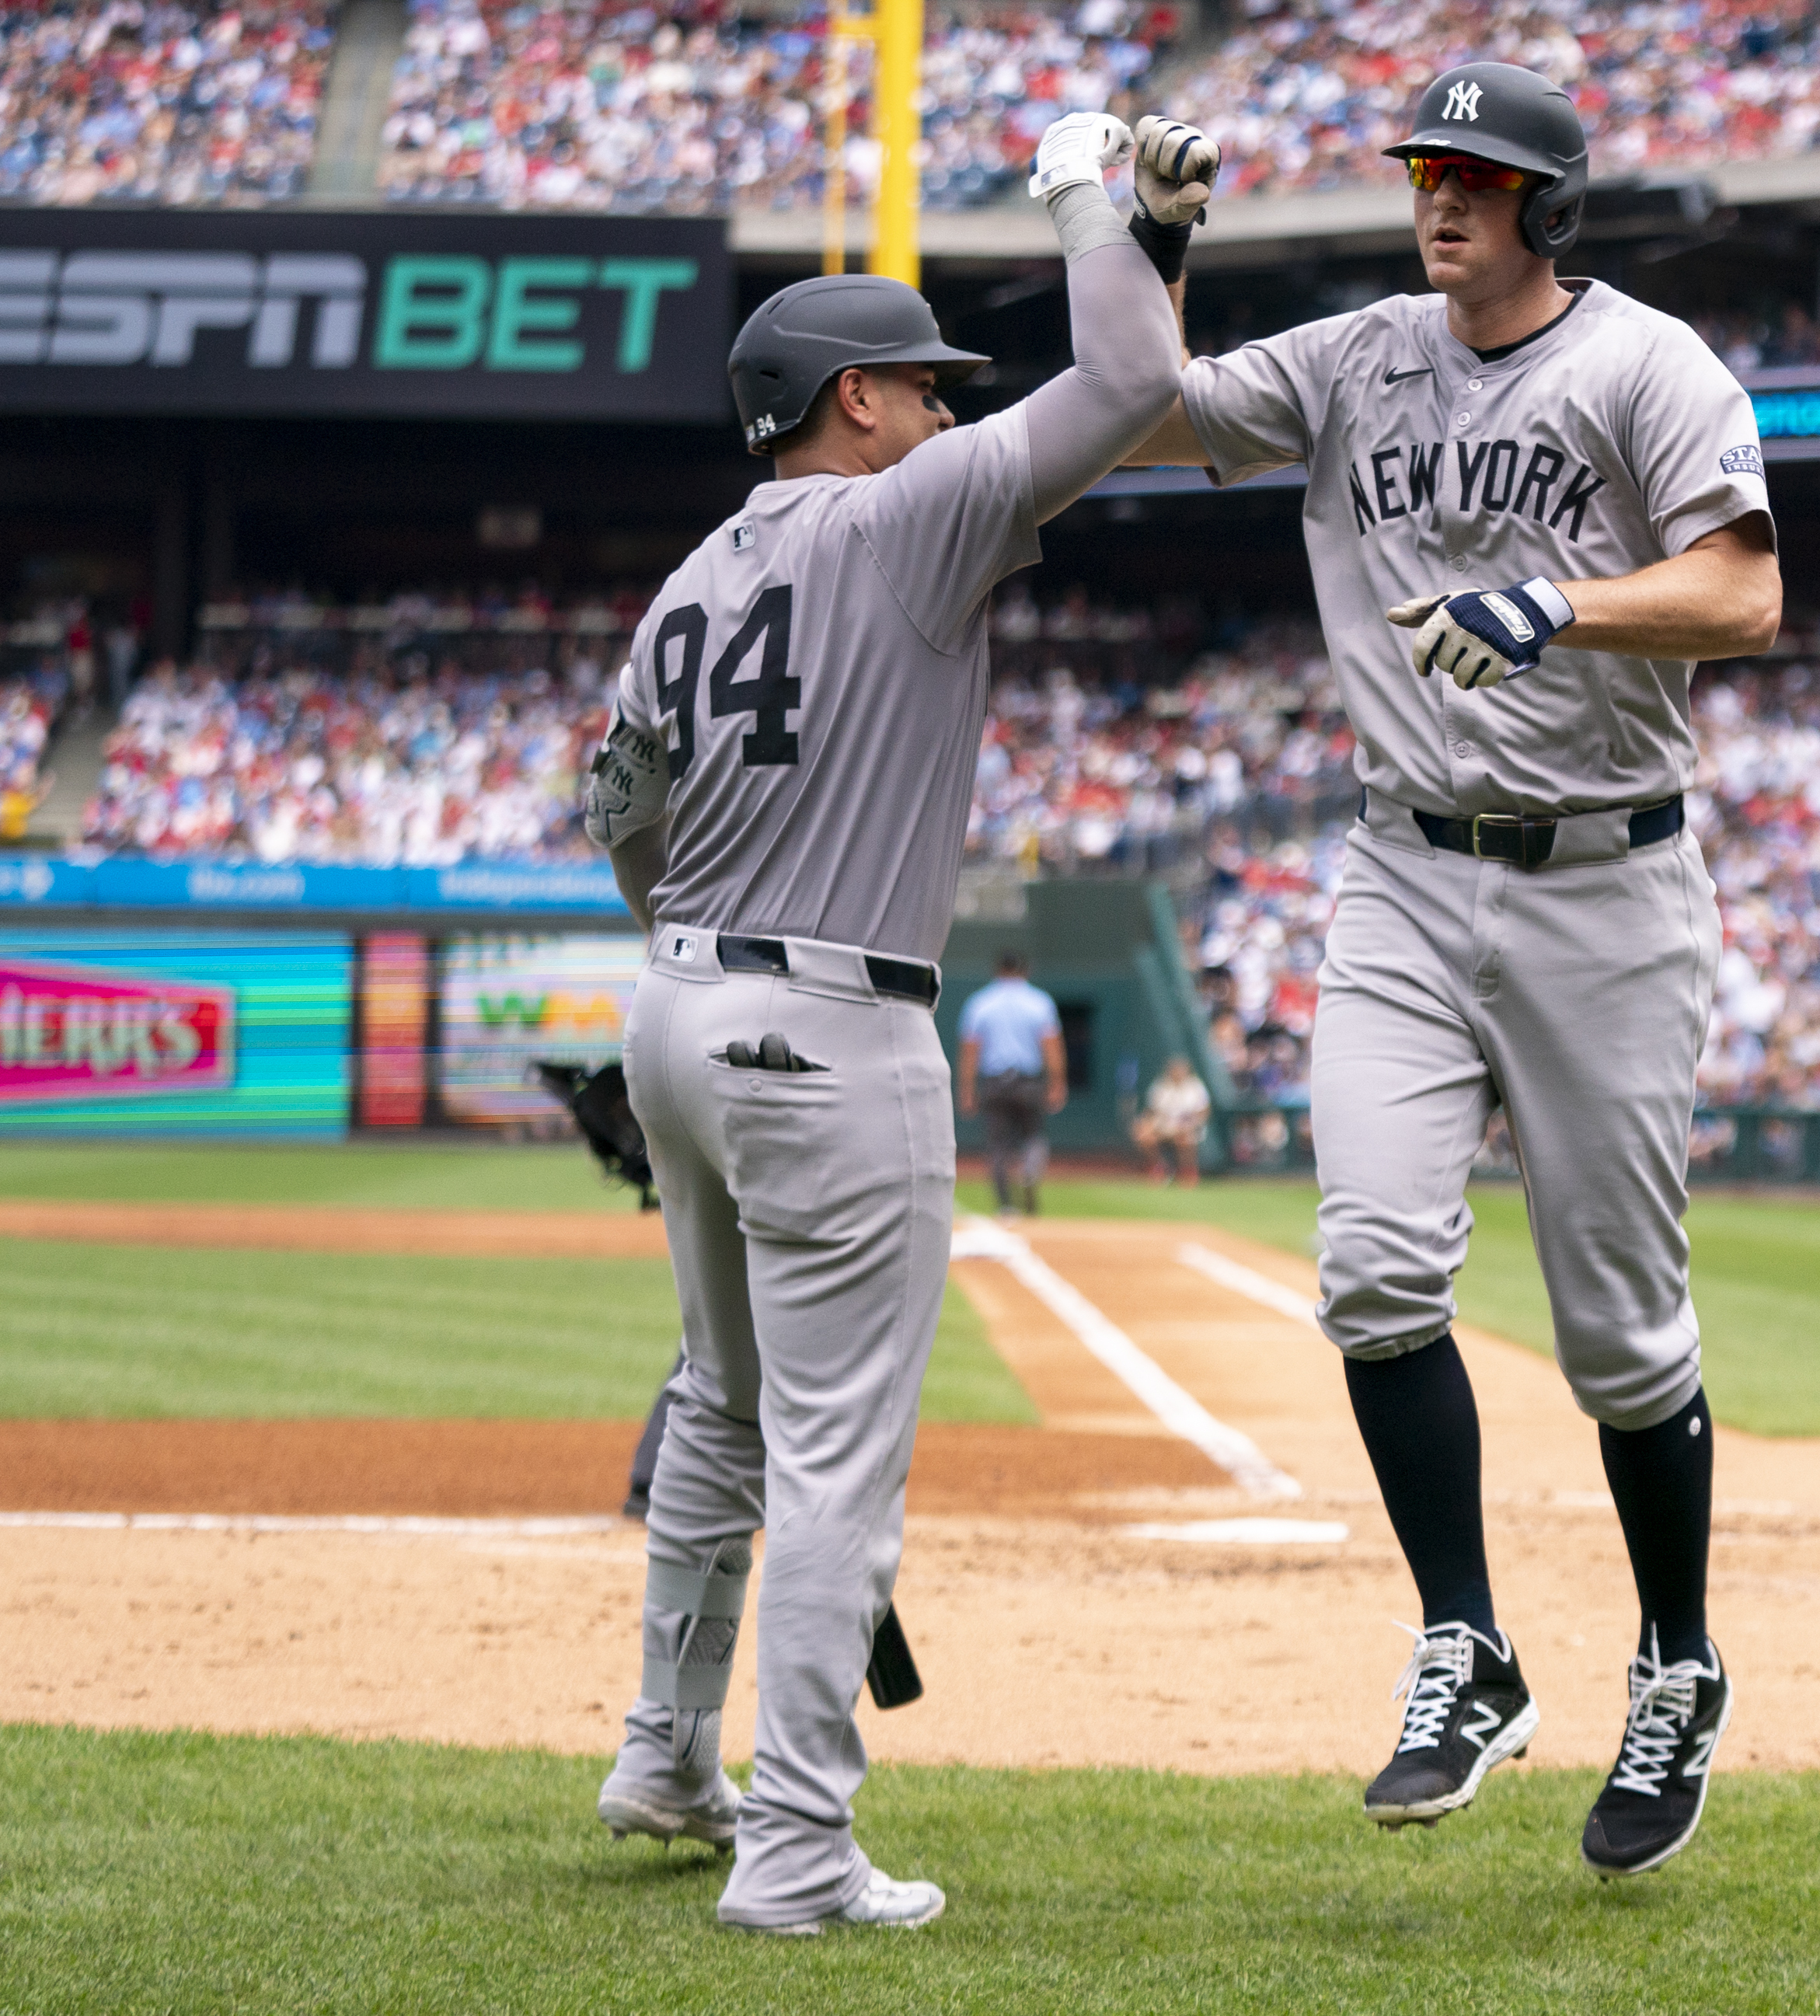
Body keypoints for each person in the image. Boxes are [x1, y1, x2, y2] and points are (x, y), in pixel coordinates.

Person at [1121, 61, 1780, 1877]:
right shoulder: (1352, 358)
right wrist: (1144, 238)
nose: (1442, 198)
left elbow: (1742, 595)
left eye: (1479, 178)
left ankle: (1674, 1661)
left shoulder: (1648, 365)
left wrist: (1556, 600)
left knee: (1621, 1328)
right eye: (1428, 170)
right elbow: (1146, 413)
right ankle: (1466, 1644)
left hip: (1607, 884)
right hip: (1403, 868)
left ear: (1545, 206)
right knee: (1373, 1267)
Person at [574, 109, 1204, 1934]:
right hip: (830, 1032)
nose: (940, 409)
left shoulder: (690, 580)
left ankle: (665, 1751)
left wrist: (693, 950)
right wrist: (1096, 189)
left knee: (721, 1402)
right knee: (837, 1445)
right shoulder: (911, 510)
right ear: (853, 403)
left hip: (678, 1003)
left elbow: (619, 818)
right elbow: (1135, 375)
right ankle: (791, 1849)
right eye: (920, 383)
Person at [957, 947, 1067, 1216]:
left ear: (997, 970)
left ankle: (1006, 1204)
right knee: (1033, 1137)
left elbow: (970, 1051)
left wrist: (967, 1090)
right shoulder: (1039, 1002)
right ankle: (1030, 1172)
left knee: (998, 1144)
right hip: (1028, 1081)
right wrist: (1057, 1082)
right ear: (1025, 971)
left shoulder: (981, 1002)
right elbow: (1051, 1046)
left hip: (995, 1082)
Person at [1130, 1054, 1212, 1186]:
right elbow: (1151, 1111)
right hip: (1163, 1127)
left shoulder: (1195, 1087)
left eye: (1180, 1070)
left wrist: (1190, 1124)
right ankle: (1159, 1170)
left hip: (1187, 1128)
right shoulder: (1160, 1086)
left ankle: (1188, 1173)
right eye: (1174, 1070)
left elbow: (1204, 1111)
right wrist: (1144, 1125)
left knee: (1185, 1139)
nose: (1177, 1073)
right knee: (1145, 1136)